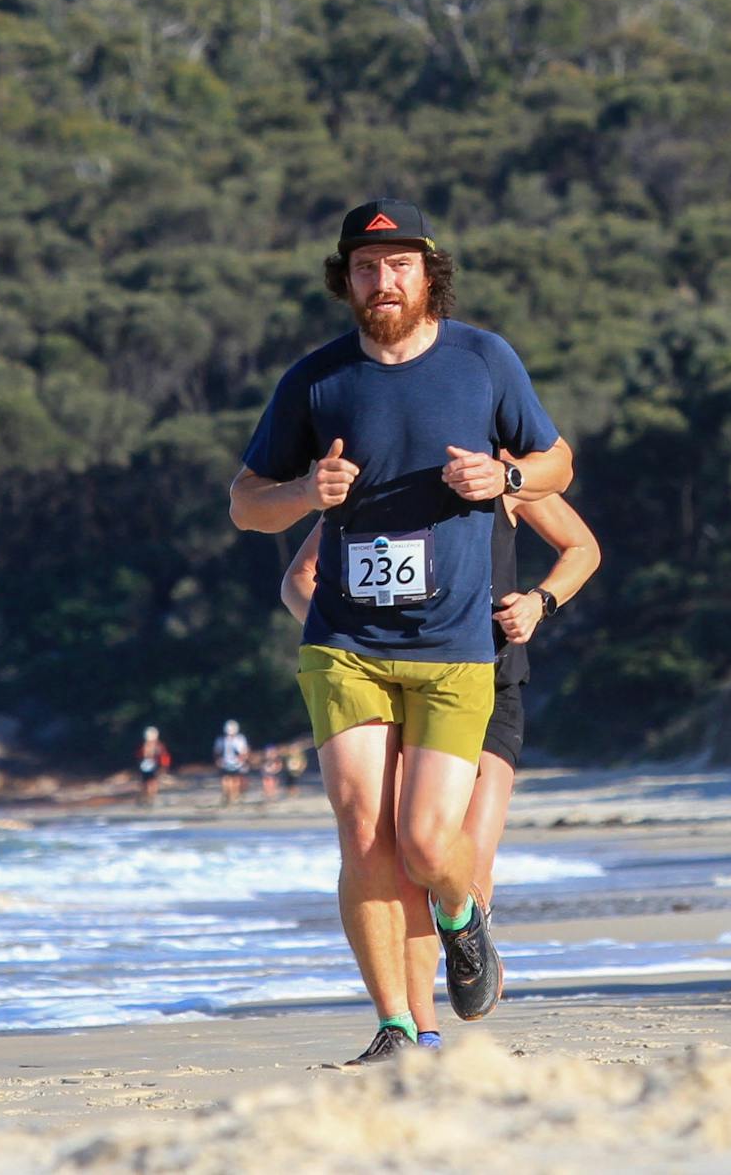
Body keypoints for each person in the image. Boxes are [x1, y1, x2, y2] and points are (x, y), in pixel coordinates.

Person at [230, 196, 573, 1064]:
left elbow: (557, 463)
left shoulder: (484, 361)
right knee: (362, 833)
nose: (382, 281)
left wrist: (503, 476)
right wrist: (307, 493)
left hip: (456, 648)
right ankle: (396, 1024)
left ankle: (461, 918)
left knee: (426, 841)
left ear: (428, 273)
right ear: (345, 280)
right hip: (345, 643)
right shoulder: (316, 380)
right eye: (365, 268)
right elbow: (245, 503)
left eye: (399, 266)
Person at [282, 487, 600, 1050]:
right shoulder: (377, 485)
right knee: (402, 860)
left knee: (457, 861)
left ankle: (463, 920)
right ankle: (416, 1032)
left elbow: (581, 547)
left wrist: (539, 601)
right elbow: (300, 578)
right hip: (396, 683)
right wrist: (336, 629)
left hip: (492, 680)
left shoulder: (499, 477)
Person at [214, 719, 250, 805]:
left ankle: (234, 796)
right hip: (225, 763)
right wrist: (218, 760)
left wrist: (242, 761)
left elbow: (244, 752)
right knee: (225, 780)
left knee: (235, 780)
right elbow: (217, 752)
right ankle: (227, 795)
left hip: (237, 763)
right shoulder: (221, 739)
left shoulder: (240, 739)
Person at [136, 726, 171, 806]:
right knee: (150, 782)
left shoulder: (155, 746)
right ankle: (149, 797)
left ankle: (149, 797)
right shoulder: (155, 745)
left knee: (149, 782)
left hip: (150, 765)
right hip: (149, 765)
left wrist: (163, 766)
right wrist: (164, 766)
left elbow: (164, 757)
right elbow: (140, 757)